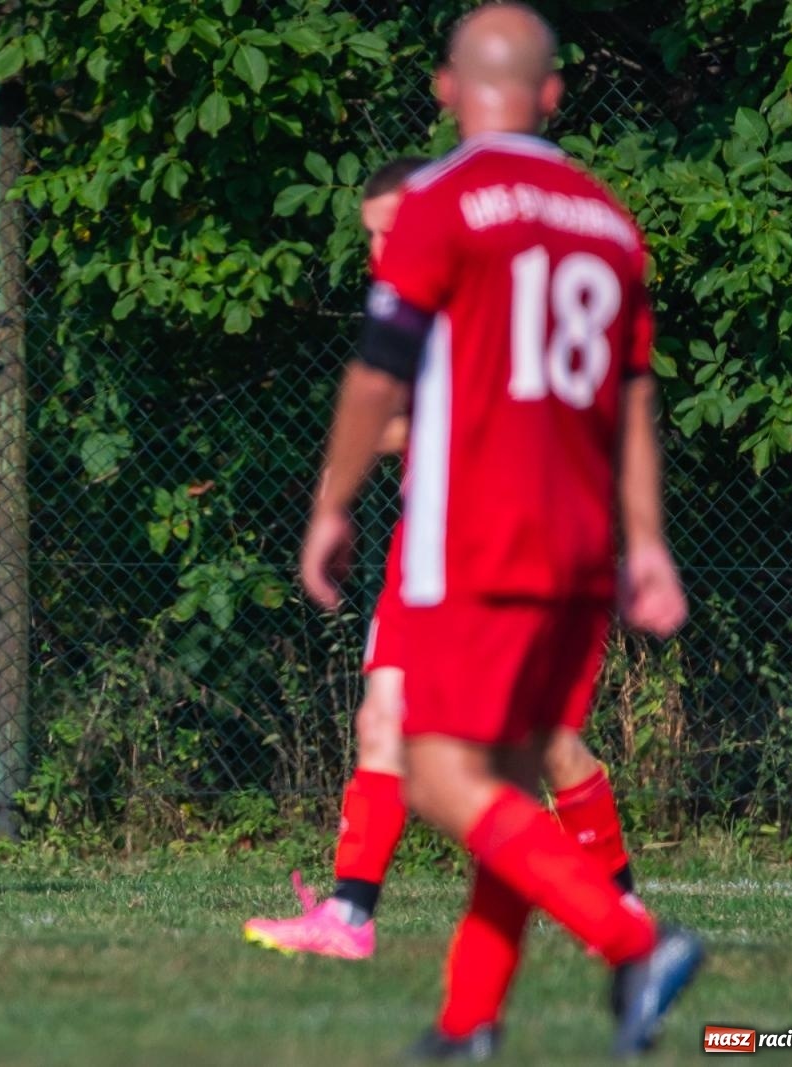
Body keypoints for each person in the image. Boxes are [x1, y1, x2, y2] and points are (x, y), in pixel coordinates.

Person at [297, 5, 700, 1057]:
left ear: (444, 91)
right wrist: (644, 541)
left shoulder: (444, 200)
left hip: (472, 537)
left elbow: (379, 366)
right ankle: (467, 1022)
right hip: (579, 543)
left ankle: (634, 938)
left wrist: (332, 505)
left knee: (436, 775)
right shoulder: (610, 222)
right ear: (553, 96)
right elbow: (630, 397)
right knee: (511, 779)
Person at [244, 159, 641, 963]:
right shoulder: (439, 285)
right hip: (438, 538)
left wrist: (346, 474)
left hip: (479, 542)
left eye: (394, 226)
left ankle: (617, 911)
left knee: (532, 743)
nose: (384, 245)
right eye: (374, 235)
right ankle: (353, 911)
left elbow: (470, 413)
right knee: (387, 719)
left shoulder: (470, 283)